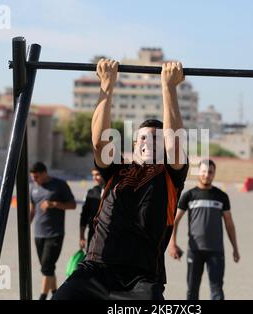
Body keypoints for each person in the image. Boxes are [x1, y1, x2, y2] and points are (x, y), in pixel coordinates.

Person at [53, 58, 189, 300]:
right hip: (95, 270)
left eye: (157, 140)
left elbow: (175, 141)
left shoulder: (170, 174)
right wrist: (107, 85)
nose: (150, 143)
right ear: (135, 144)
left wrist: (168, 87)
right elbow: (98, 141)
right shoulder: (116, 169)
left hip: (142, 278)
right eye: (144, 138)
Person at [169, 159, 240, 300]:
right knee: (192, 290)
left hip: (216, 251)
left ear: (214, 174)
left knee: (217, 290)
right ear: (199, 172)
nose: (207, 175)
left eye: (210, 172)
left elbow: (229, 224)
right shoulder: (189, 196)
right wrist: (173, 244)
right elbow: (174, 221)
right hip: (195, 251)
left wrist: (235, 248)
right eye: (204, 171)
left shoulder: (221, 196)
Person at [29, 162, 77, 300]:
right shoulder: (33, 186)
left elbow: (72, 205)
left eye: (37, 176)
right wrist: (26, 226)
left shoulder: (59, 185)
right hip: (38, 233)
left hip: (55, 233)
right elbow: (32, 209)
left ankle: (43, 297)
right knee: (48, 268)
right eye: (32, 177)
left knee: (47, 267)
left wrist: (54, 204)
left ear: (44, 173)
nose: (34, 179)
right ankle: (56, 293)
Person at [79, 168, 104, 252]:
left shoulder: (114, 191)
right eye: (93, 175)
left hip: (110, 236)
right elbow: (84, 215)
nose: (94, 178)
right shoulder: (91, 192)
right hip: (93, 235)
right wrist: (82, 236)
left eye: (97, 174)